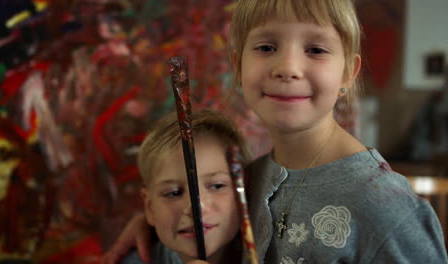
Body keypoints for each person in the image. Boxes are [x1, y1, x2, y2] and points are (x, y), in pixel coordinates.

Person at [104, 0, 448, 263]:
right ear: (238, 66)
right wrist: (154, 230)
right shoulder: (244, 183)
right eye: (266, 47)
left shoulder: (388, 210)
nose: (287, 68)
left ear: (348, 72)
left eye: (315, 49)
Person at [116, 109, 249, 264]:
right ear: (150, 208)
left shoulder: (271, 249)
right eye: (173, 193)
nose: (196, 207)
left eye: (217, 186)